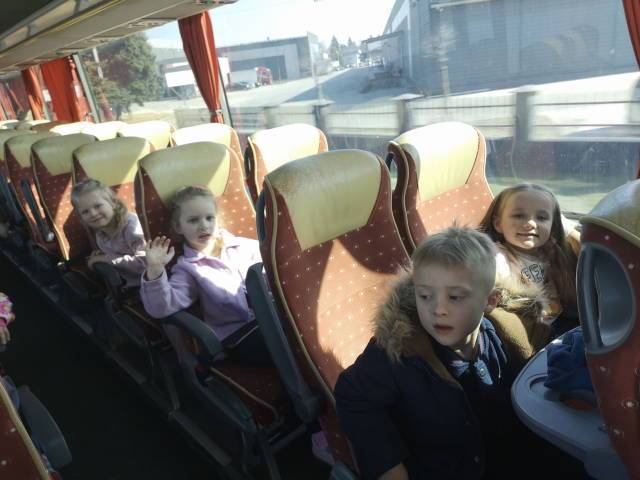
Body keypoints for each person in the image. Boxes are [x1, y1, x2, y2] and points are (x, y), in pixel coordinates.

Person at [335, 226, 521, 480]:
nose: (437, 309)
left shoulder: (497, 335)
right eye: (425, 296)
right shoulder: (399, 352)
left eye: (455, 297)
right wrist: (389, 465)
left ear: (490, 301)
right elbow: (351, 393)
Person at [140, 185, 269, 363]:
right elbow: (162, 308)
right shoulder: (188, 269)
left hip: (272, 319)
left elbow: (277, 273)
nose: (204, 226)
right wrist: (155, 269)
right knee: (289, 346)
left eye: (209, 218)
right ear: (178, 227)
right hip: (239, 335)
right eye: (193, 220)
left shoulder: (243, 246)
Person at [478, 183, 578, 340]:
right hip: (530, 330)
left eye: (541, 218)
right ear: (498, 224)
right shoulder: (499, 256)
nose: (530, 223)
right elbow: (487, 270)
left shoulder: (550, 250)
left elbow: (570, 230)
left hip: (559, 320)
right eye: (519, 215)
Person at [71, 179, 146, 288]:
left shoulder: (131, 227)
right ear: (81, 218)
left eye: (98, 206)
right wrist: (102, 255)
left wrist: (105, 258)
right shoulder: (100, 235)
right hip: (127, 285)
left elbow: (144, 264)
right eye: (85, 211)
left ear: (113, 203)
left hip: (148, 284)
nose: (93, 214)